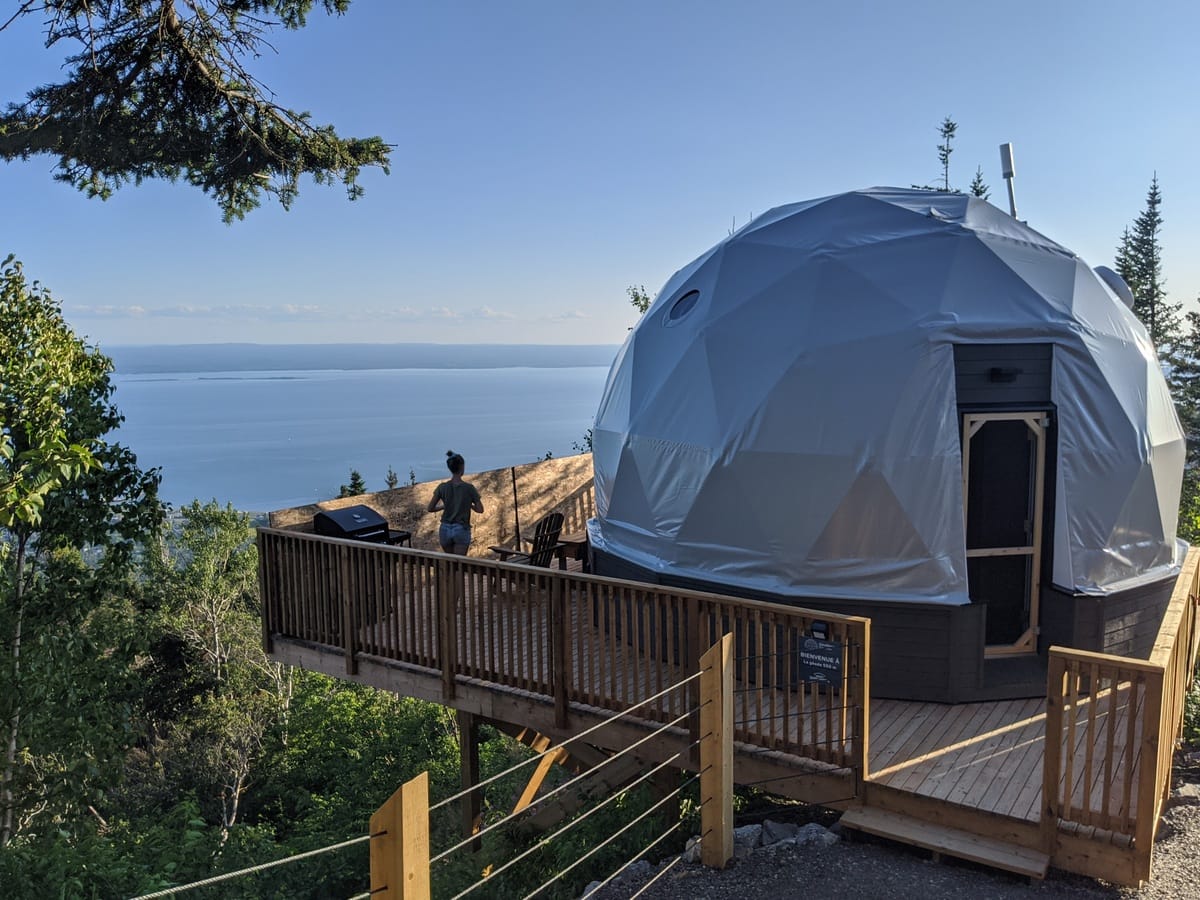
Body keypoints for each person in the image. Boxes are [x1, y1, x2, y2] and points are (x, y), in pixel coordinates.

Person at [427, 450, 484, 555]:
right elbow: (480, 510)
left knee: (451, 564)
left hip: (444, 529)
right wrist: (469, 504)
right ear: (462, 467)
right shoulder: (469, 488)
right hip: (461, 529)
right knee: (459, 565)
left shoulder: (442, 487)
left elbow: (430, 508)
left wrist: (443, 507)